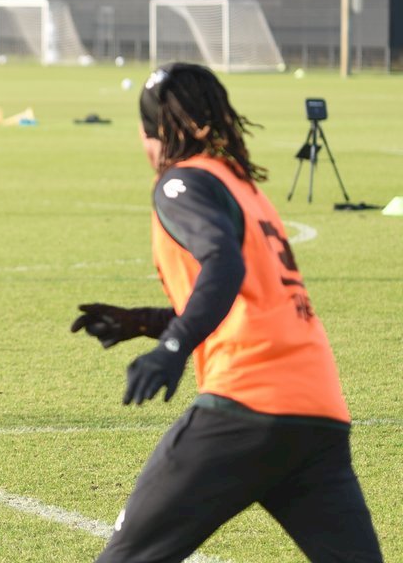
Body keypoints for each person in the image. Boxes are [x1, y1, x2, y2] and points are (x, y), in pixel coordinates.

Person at [71, 62, 382, 563]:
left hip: (245, 409)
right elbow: (248, 299)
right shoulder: (241, 185)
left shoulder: (180, 183)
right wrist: (146, 322)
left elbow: (223, 264)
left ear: (154, 132)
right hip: (317, 414)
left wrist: (173, 347)